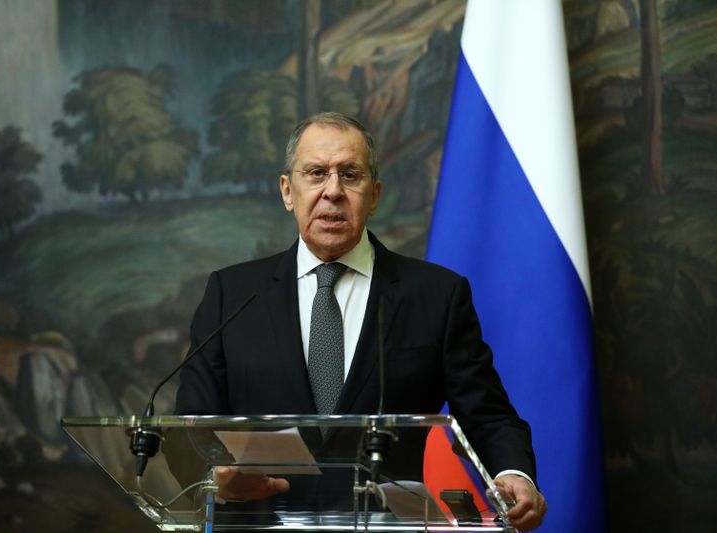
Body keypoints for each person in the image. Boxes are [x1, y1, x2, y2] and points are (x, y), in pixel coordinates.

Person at [174, 112, 547, 530]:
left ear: (374, 194)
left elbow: (488, 415)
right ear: (287, 191)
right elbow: (188, 426)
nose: (332, 191)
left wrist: (514, 473)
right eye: (316, 173)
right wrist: (218, 479)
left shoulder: (436, 296)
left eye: (350, 175)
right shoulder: (232, 295)